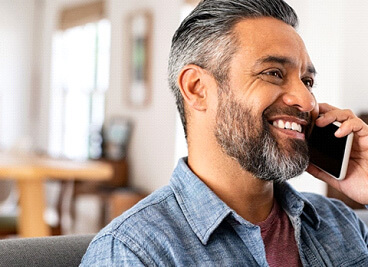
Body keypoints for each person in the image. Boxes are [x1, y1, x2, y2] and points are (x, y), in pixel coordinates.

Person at [81, 0, 368, 266]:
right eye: (274, 73)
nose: (307, 101)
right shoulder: (131, 252)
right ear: (197, 88)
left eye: (307, 81)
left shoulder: (342, 223)